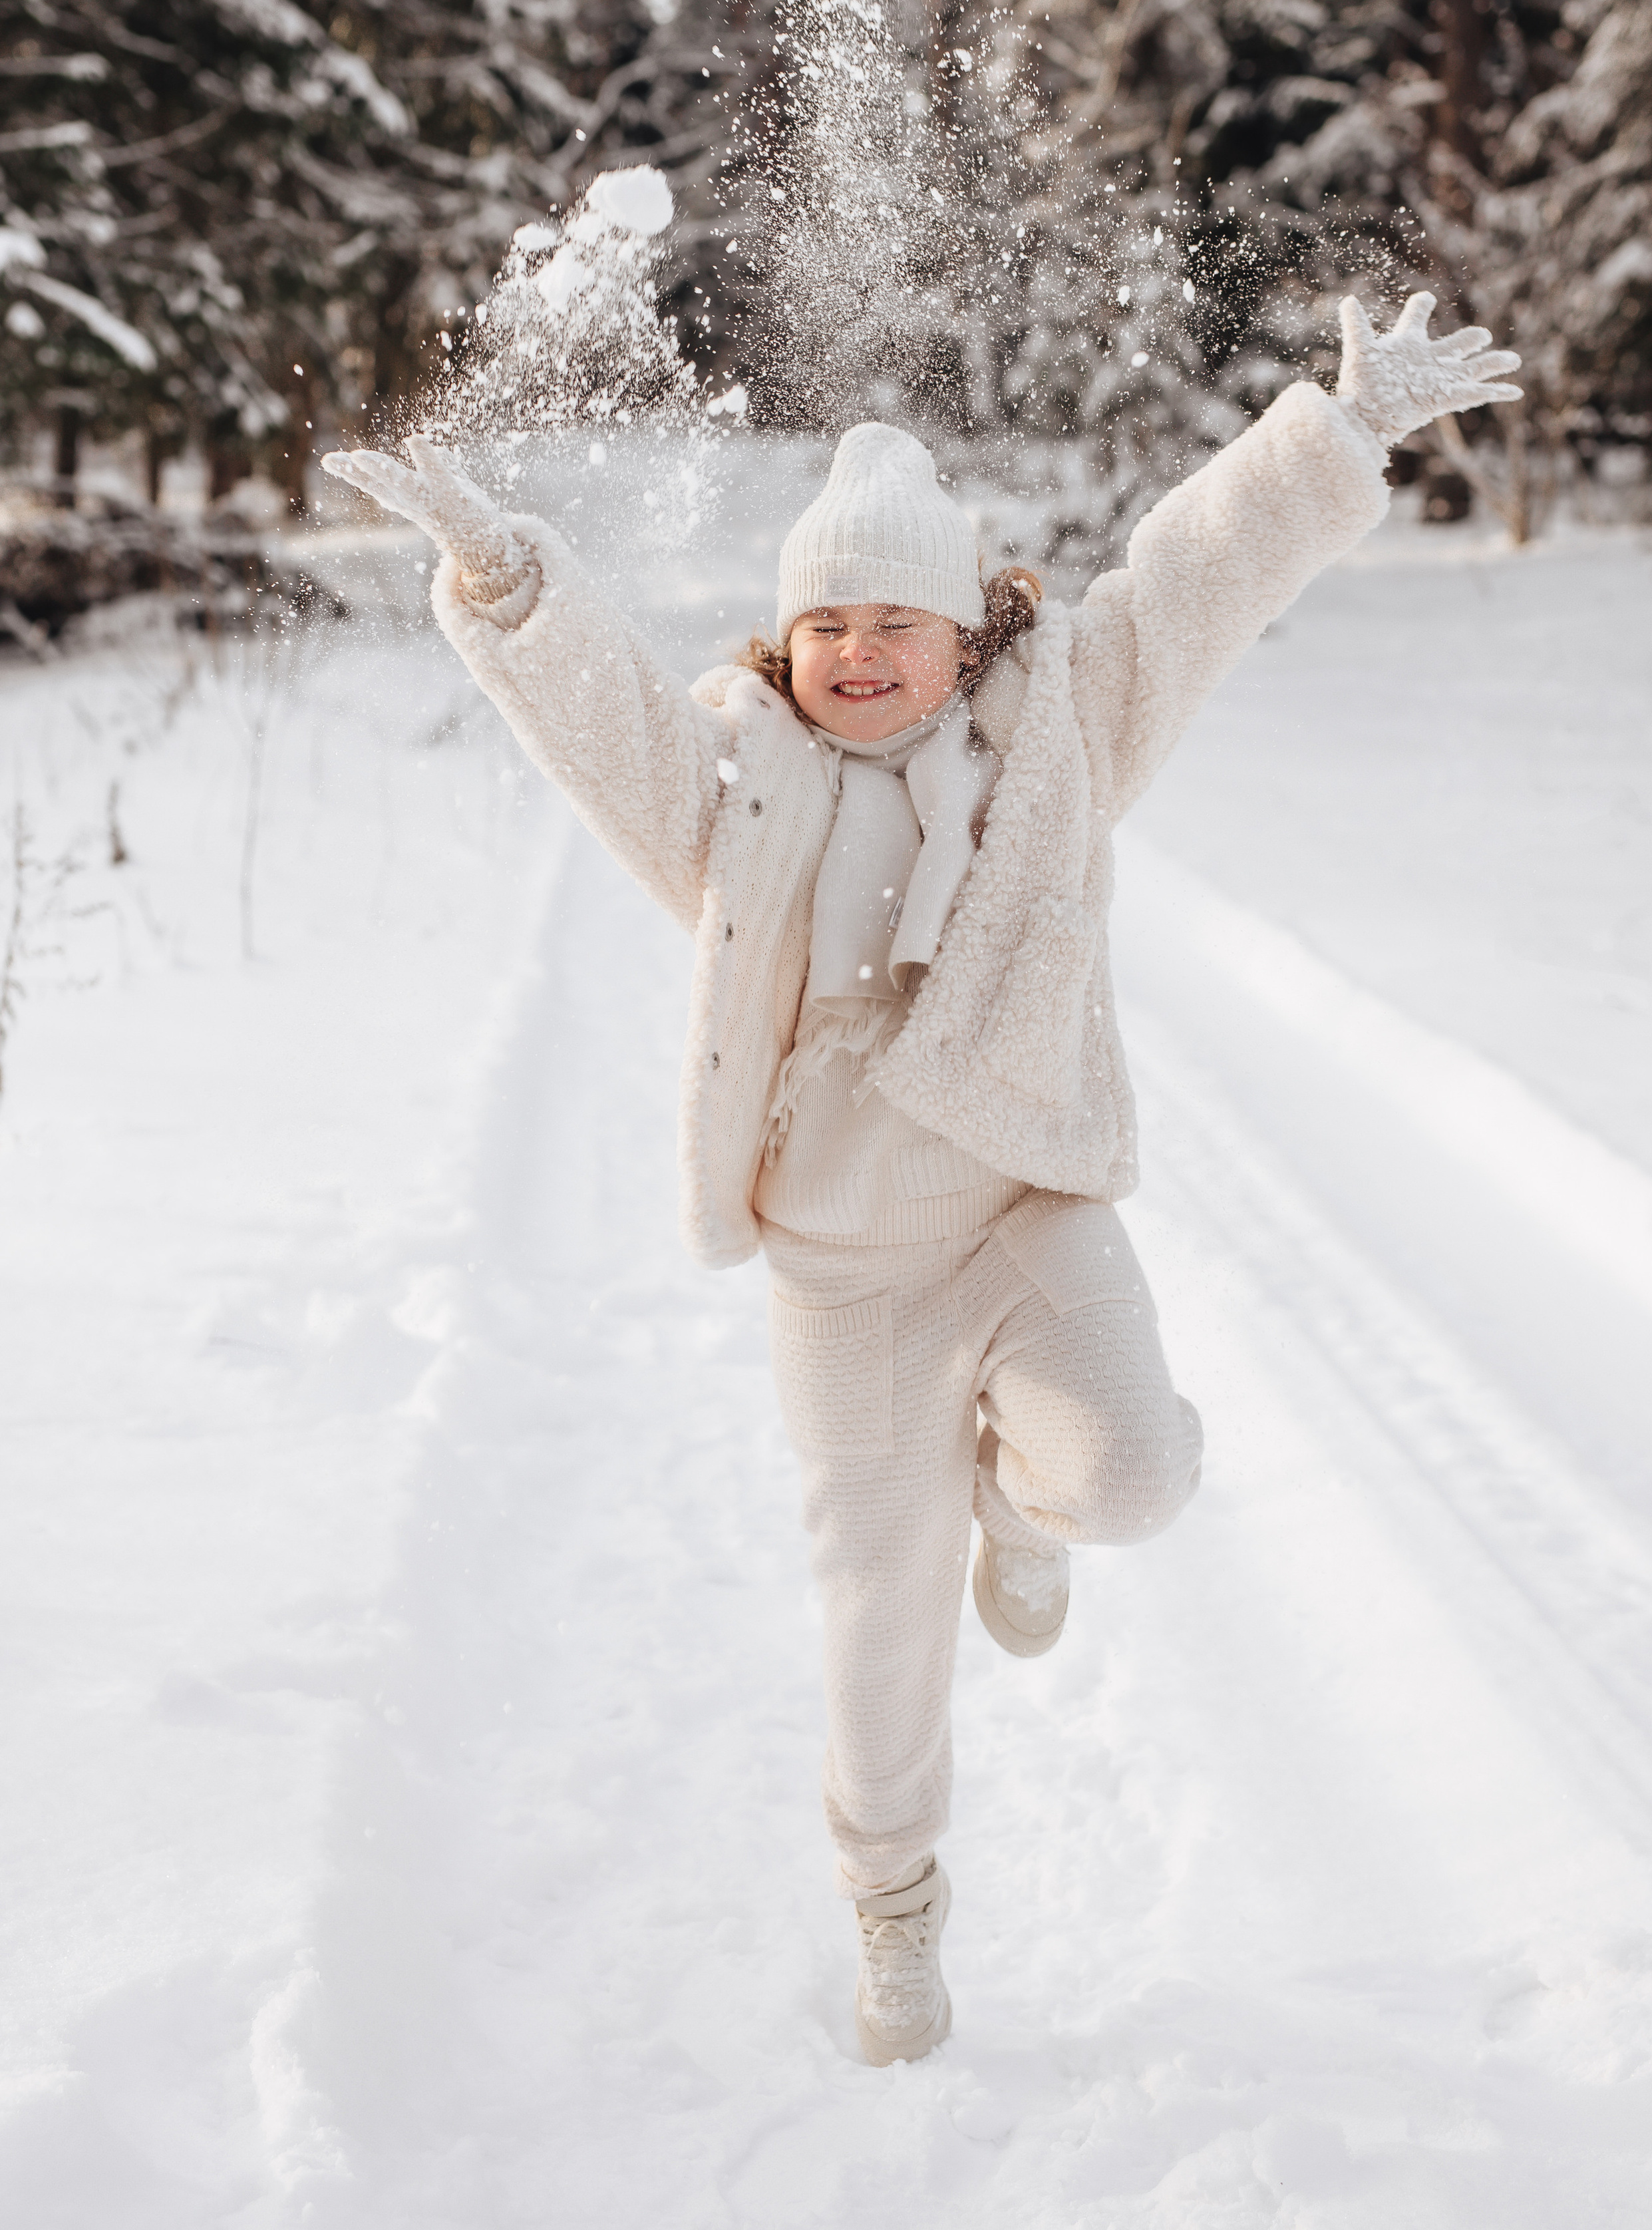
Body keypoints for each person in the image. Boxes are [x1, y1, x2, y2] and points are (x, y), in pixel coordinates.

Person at [326, 291, 1520, 2066]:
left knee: (1130, 1478)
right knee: (878, 1628)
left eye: (898, 620)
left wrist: (1333, 435)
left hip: (1025, 1210)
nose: (861, 652)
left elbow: (1192, 581)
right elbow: (603, 719)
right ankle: (893, 1911)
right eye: (828, 622)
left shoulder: (1061, 734)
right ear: (787, 640)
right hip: (845, 1279)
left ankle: (1021, 1512)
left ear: (968, 634)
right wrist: (505, 579)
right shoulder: (734, 786)